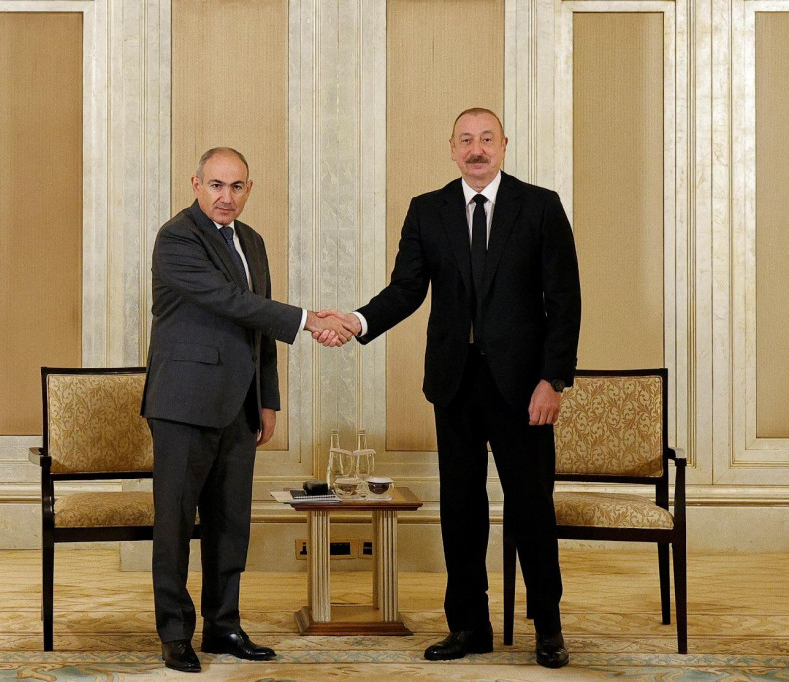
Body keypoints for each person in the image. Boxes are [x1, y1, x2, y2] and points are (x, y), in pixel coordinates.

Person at [318, 108, 581, 668]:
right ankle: (468, 627)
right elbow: (406, 289)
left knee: (531, 509)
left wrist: (553, 380)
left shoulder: (540, 206)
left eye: (486, 139)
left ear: (504, 145)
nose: (476, 149)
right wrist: (357, 321)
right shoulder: (428, 209)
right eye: (466, 140)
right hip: (454, 383)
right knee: (461, 511)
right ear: (452, 148)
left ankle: (548, 629)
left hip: (524, 390)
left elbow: (564, 302)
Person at [142, 147, 352, 673]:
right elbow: (230, 301)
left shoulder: (252, 241)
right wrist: (309, 319)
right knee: (175, 524)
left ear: (249, 189)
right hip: (184, 403)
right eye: (216, 185)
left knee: (230, 523)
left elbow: (259, 329)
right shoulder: (176, 238)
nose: (226, 196)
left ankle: (223, 626)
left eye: (236, 186)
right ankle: (175, 634)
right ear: (196, 184)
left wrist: (268, 400)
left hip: (240, 406)